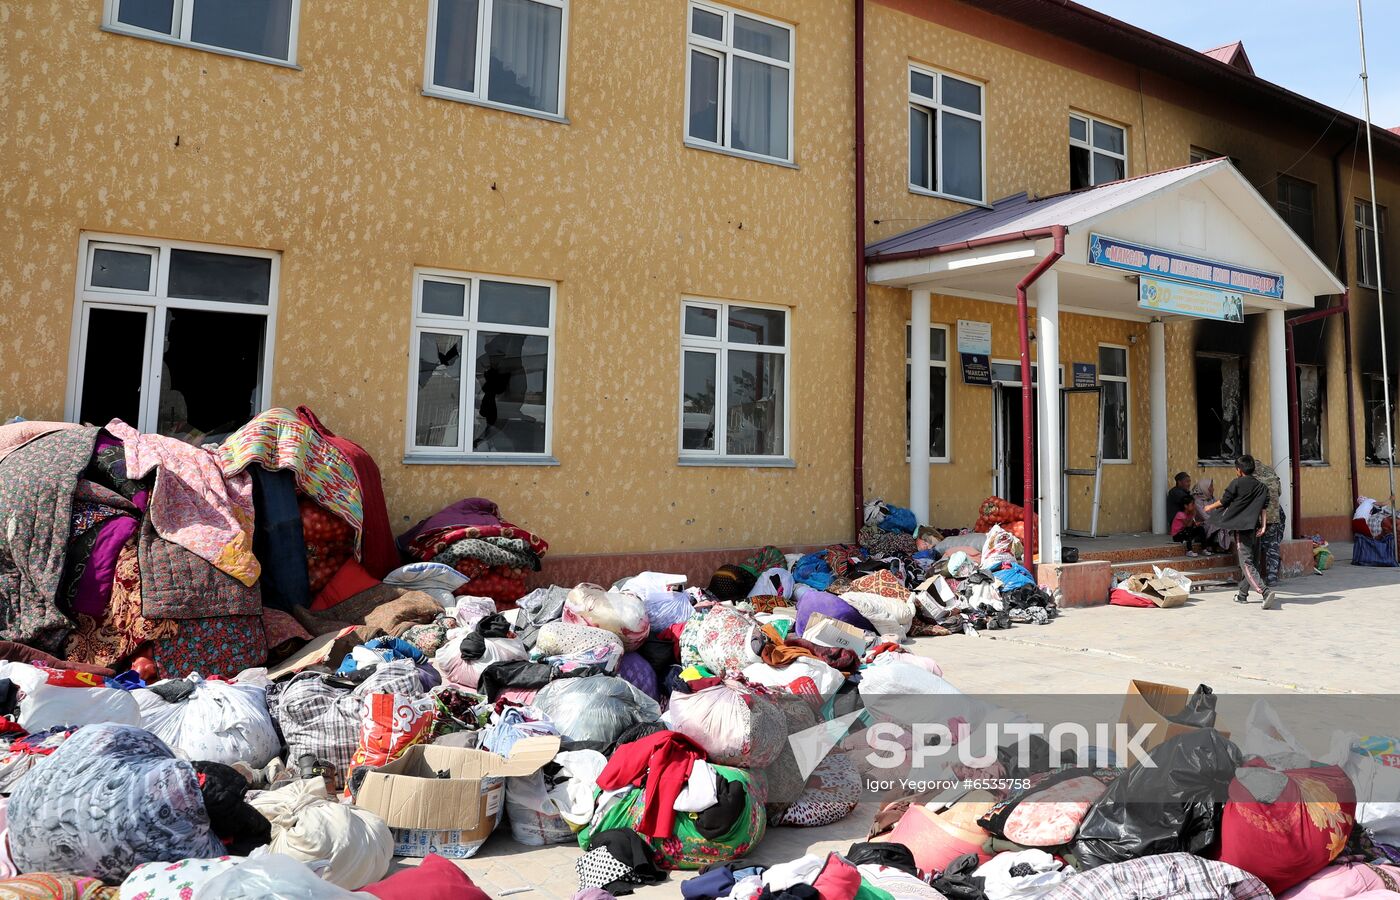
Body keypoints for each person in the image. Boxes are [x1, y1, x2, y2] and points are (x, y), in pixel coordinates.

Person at [1204, 455, 1277, 609]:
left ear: (1239, 470)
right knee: (1253, 563)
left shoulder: (1236, 483)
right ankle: (1242, 595)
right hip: (1256, 528)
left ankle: (1264, 592)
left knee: (1246, 563)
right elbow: (1264, 508)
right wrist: (1263, 526)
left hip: (1241, 529)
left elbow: (1224, 501)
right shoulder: (1262, 487)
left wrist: (1209, 507)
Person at [1253, 461, 1286, 585]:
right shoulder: (1273, 475)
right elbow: (1279, 493)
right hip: (1273, 518)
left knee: (1254, 549)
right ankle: (1272, 577)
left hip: (1256, 519)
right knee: (1272, 548)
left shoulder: (1251, 478)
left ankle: (1254, 578)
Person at [1191, 477, 1232, 553]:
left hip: (1211, 522)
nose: (1213, 489)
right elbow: (1205, 517)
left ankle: (1220, 546)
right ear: (1205, 487)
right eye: (1211, 487)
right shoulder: (1197, 501)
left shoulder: (1211, 498)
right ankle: (1210, 544)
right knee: (1217, 524)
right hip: (1202, 525)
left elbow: (1218, 507)